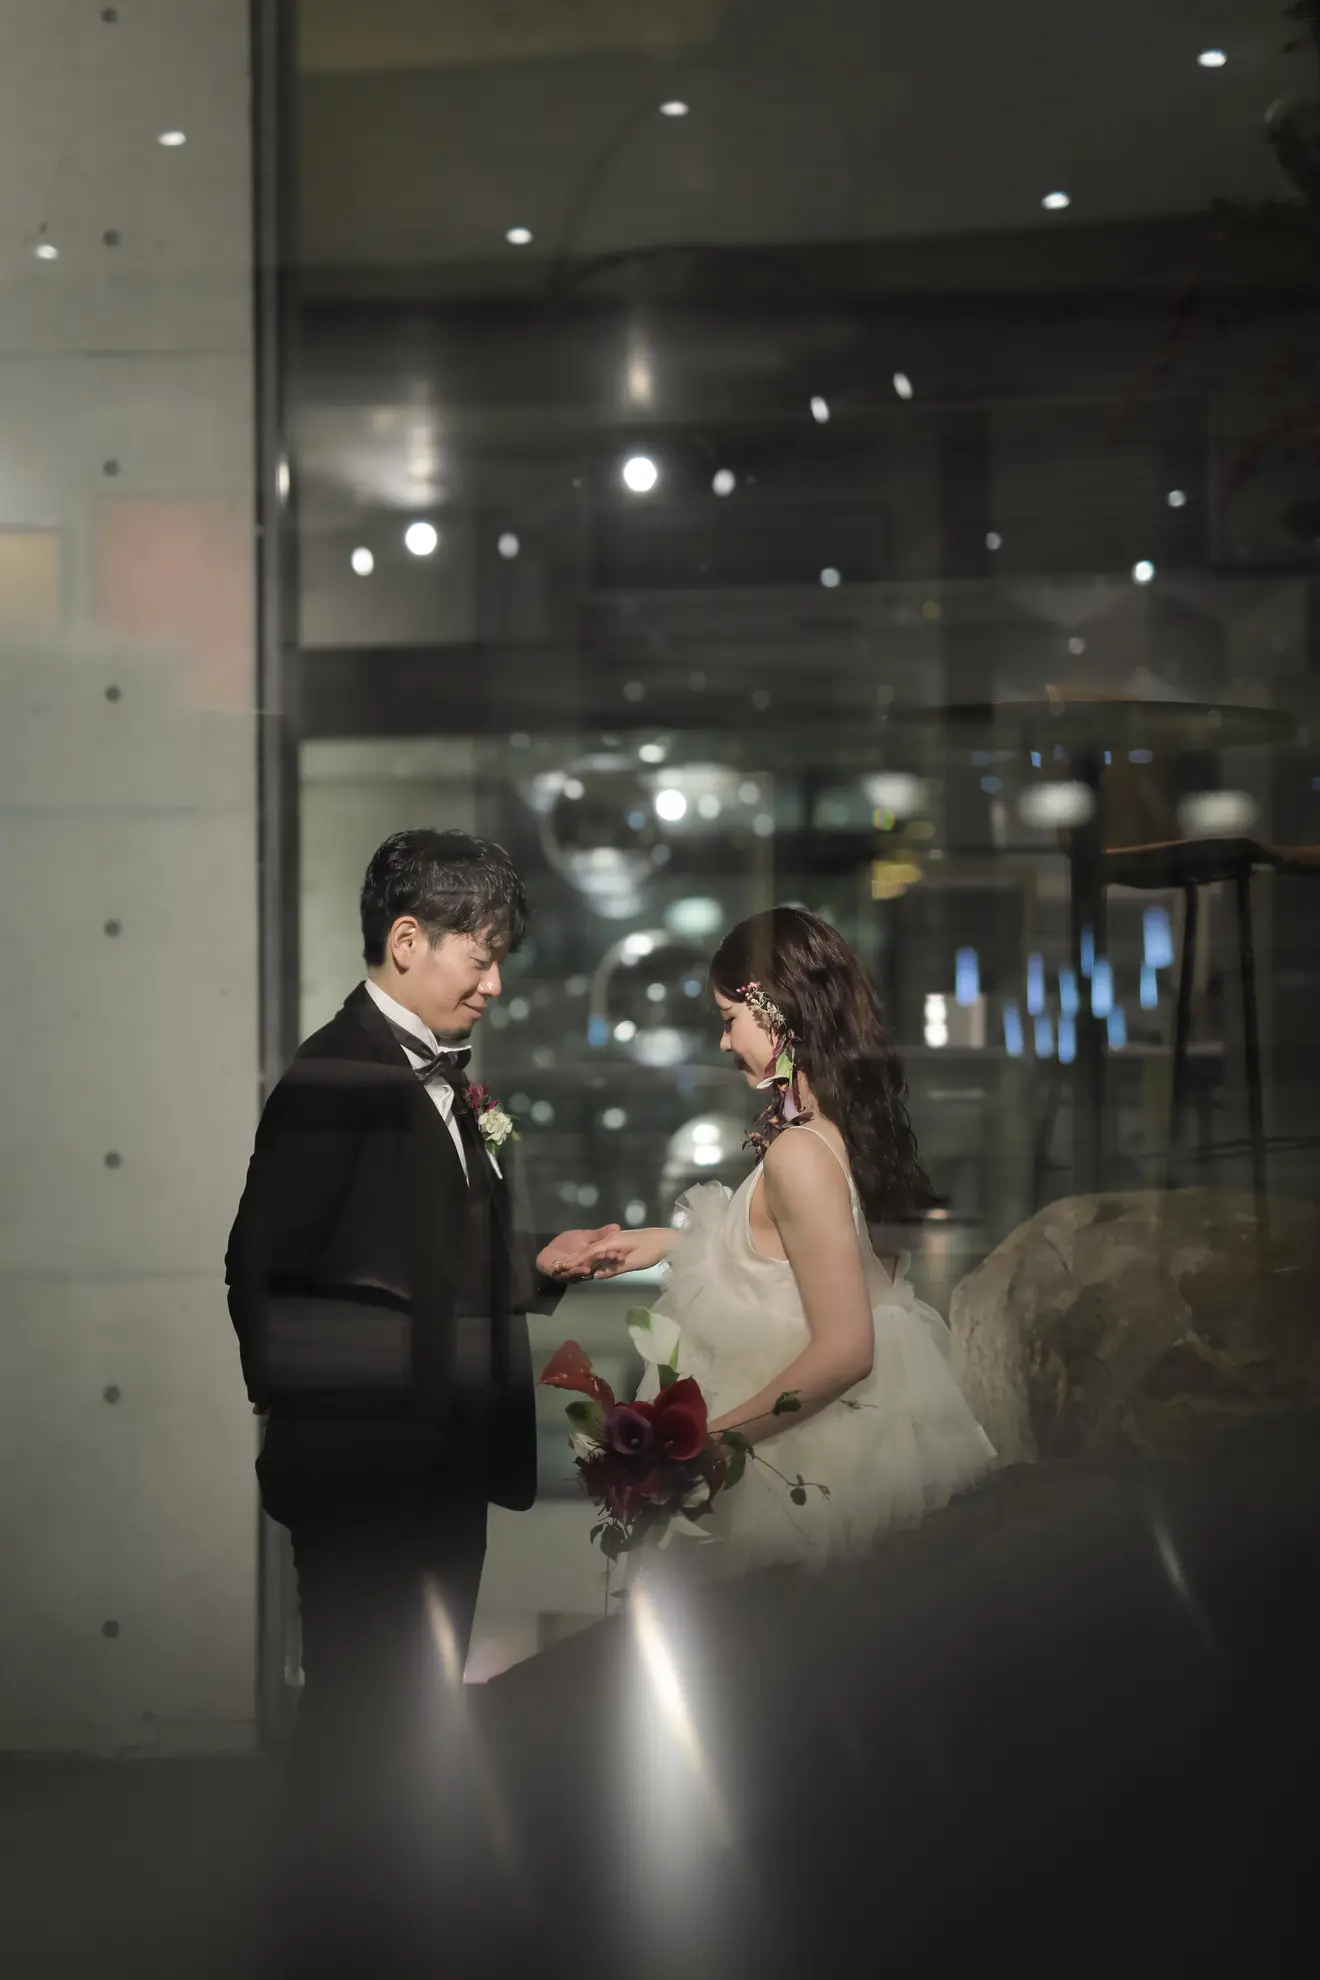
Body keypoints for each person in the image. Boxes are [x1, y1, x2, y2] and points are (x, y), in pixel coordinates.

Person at [224, 828, 616, 1971]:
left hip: (439, 1470)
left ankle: (386, 1930)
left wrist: (538, 1262)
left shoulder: (431, 1075)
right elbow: (259, 1271)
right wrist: (330, 1423)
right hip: (367, 1481)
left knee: (410, 1722)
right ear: (408, 941)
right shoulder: (336, 1075)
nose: (494, 985)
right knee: (357, 1726)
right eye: (481, 958)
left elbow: (421, 1263)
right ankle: (321, 1941)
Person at [579, 906, 994, 1576]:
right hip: (854, 1443)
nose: (723, 1042)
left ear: (777, 1011)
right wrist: (662, 1242)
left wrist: (700, 1449)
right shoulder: (850, 1133)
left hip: (801, 1465)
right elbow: (789, 1264)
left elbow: (845, 1348)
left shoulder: (800, 1154)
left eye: (728, 1019)